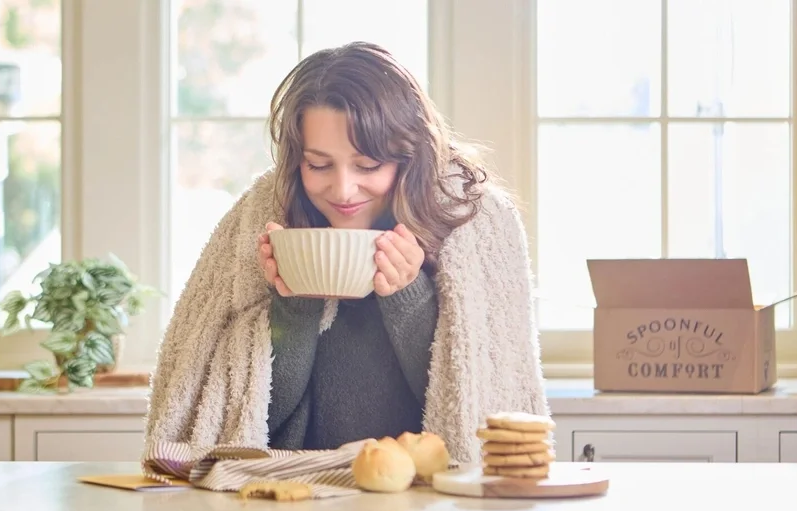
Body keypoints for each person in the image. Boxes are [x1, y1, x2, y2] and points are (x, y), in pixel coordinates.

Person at [143, 42, 548, 467]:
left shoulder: (473, 220)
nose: (342, 190)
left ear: (409, 155)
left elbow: (468, 407)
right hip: (296, 494)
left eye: (368, 165)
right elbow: (244, 427)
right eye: (318, 165)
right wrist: (294, 304)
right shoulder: (264, 214)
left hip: (430, 500)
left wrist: (408, 296)